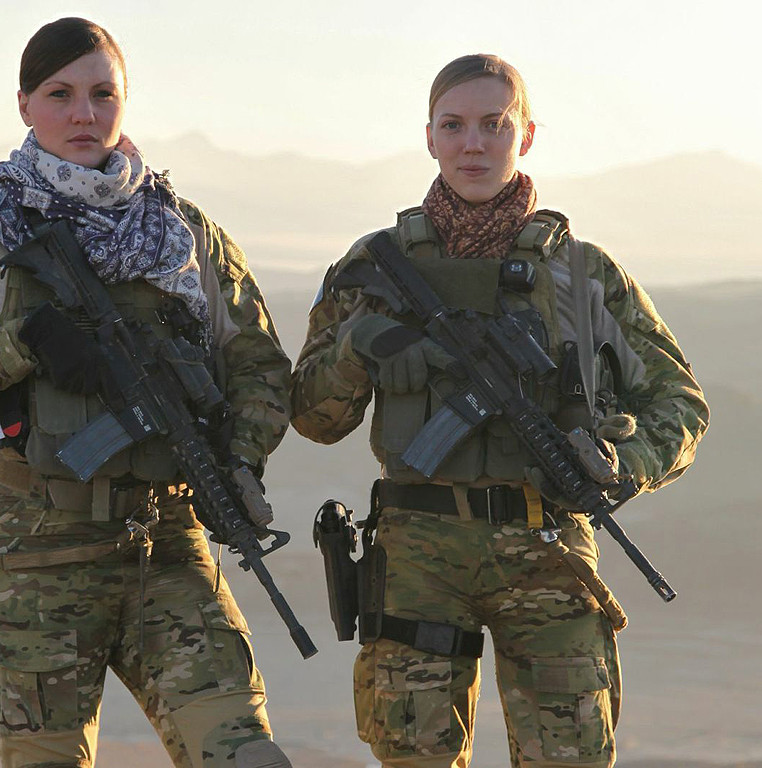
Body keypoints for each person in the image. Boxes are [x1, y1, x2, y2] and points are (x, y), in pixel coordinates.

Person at [0, 17, 294, 768]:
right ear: (24, 105)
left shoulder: (182, 231)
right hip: (37, 552)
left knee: (245, 756)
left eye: (103, 94)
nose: (83, 113)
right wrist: (19, 345)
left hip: (168, 543)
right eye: (60, 93)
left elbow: (260, 366)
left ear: (124, 101)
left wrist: (238, 464)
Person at [290, 54, 709, 767]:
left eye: (494, 124)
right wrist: (359, 347)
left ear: (527, 134)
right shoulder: (375, 267)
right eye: (454, 126)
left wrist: (621, 464)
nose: (473, 143)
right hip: (417, 552)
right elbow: (314, 416)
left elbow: (678, 403)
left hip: (546, 547)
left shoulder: (581, 274)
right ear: (429, 137)